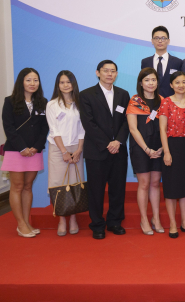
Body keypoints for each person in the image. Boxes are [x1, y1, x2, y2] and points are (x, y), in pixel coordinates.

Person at [79, 60, 130, 240]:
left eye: (113, 71)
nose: (109, 74)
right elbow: (88, 123)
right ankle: (97, 225)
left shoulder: (124, 95)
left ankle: (115, 222)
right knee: (96, 190)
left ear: (117, 74)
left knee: (118, 189)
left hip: (119, 150)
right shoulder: (86, 95)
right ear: (97, 73)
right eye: (105, 71)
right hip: (97, 151)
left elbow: (126, 122)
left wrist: (118, 142)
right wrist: (108, 143)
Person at [1, 68, 49, 238]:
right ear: (21, 81)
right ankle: (20, 224)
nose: (32, 84)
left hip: (34, 151)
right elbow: (9, 128)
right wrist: (22, 148)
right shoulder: (11, 101)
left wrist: (36, 146)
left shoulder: (42, 102)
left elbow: (45, 128)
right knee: (17, 186)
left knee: (28, 186)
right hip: (16, 151)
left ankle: (27, 222)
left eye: (35, 80)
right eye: (29, 80)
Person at [159, 71, 185, 238]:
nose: (181, 85)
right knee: (172, 187)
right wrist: (166, 152)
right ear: (171, 85)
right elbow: (162, 129)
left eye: (184, 82)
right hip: (172, 146)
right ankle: (173, 224)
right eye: (177, 82)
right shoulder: (166, 103)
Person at [46, 70, 84, 237]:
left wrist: (79, 150)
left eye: (68, 82)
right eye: (62, 82)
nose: (66, 85)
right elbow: (54, 130)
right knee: (58, 184)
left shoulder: (79, 103)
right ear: (57, 85)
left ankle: (74, 218)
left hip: (77, 148)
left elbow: (83, 129)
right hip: (58, 148)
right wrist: (63, 151)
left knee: (76, 183)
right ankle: (61, 219)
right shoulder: (52, 104)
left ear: (73, 84)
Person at [126, 68, 164, 235]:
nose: (151, 83)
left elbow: (166, 127)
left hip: (159, 147)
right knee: (144, 184)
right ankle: (143, 219)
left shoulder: (162, 101)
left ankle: (156, 218)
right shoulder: (135, 101)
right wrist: (147, 149)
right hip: (141, 148)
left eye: (153, 80)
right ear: (141, 83)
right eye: (147, 80)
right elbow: (133, 129)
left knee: (155, 183)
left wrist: (162, 148)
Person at [141, 26, 183, 98]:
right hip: (151, 101)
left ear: (168, 41)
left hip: (172, 102)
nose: (160, 41)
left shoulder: (178, 62)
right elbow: (143, 83)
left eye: (163, 38)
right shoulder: (145, 62)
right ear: (152, 41)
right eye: (157, 38)